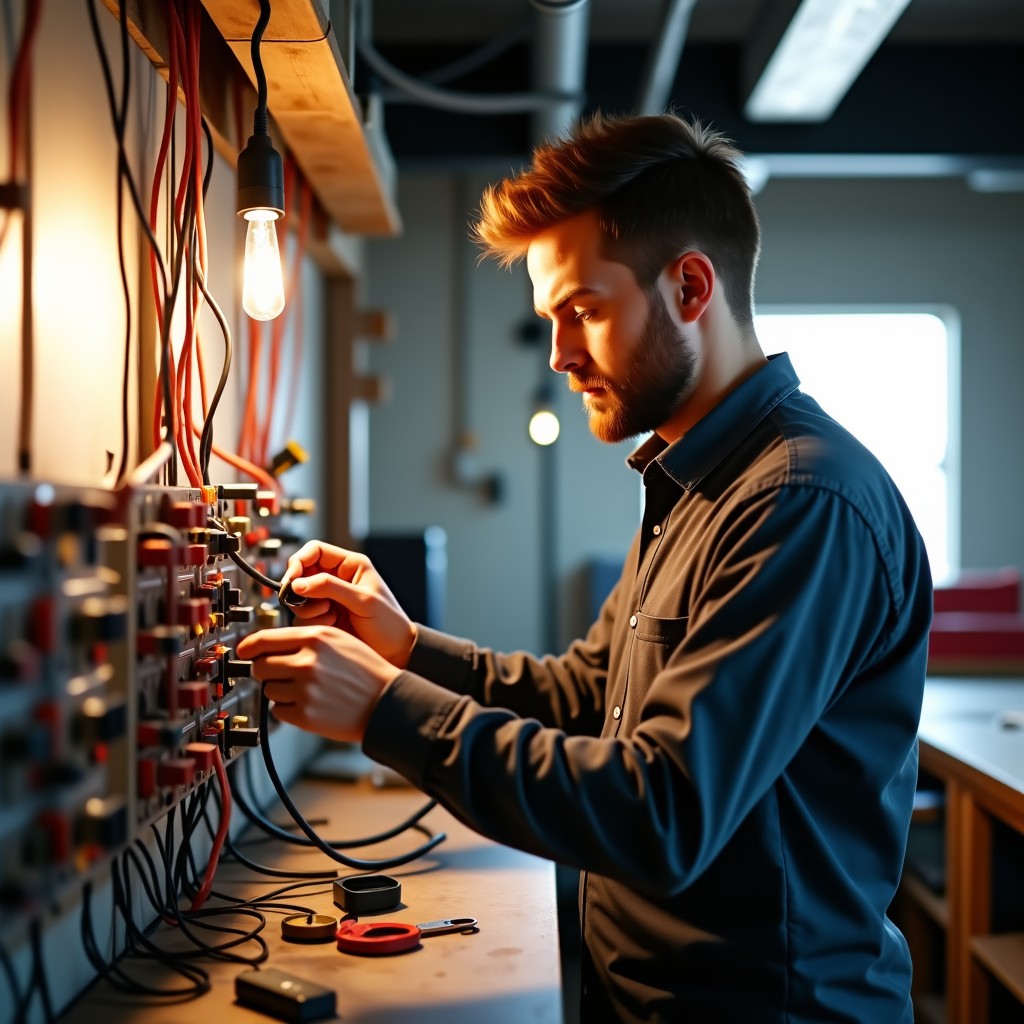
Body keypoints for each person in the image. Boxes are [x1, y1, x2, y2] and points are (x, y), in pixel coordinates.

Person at [236, 112, 933, 1023]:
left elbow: (663, 812)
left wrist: (380, 708)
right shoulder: (693, 481)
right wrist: (405, 651)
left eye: (586, 312)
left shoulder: (800, 504)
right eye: (551, 319)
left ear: (690, 286)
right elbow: (585, 695)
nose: (561, 355)